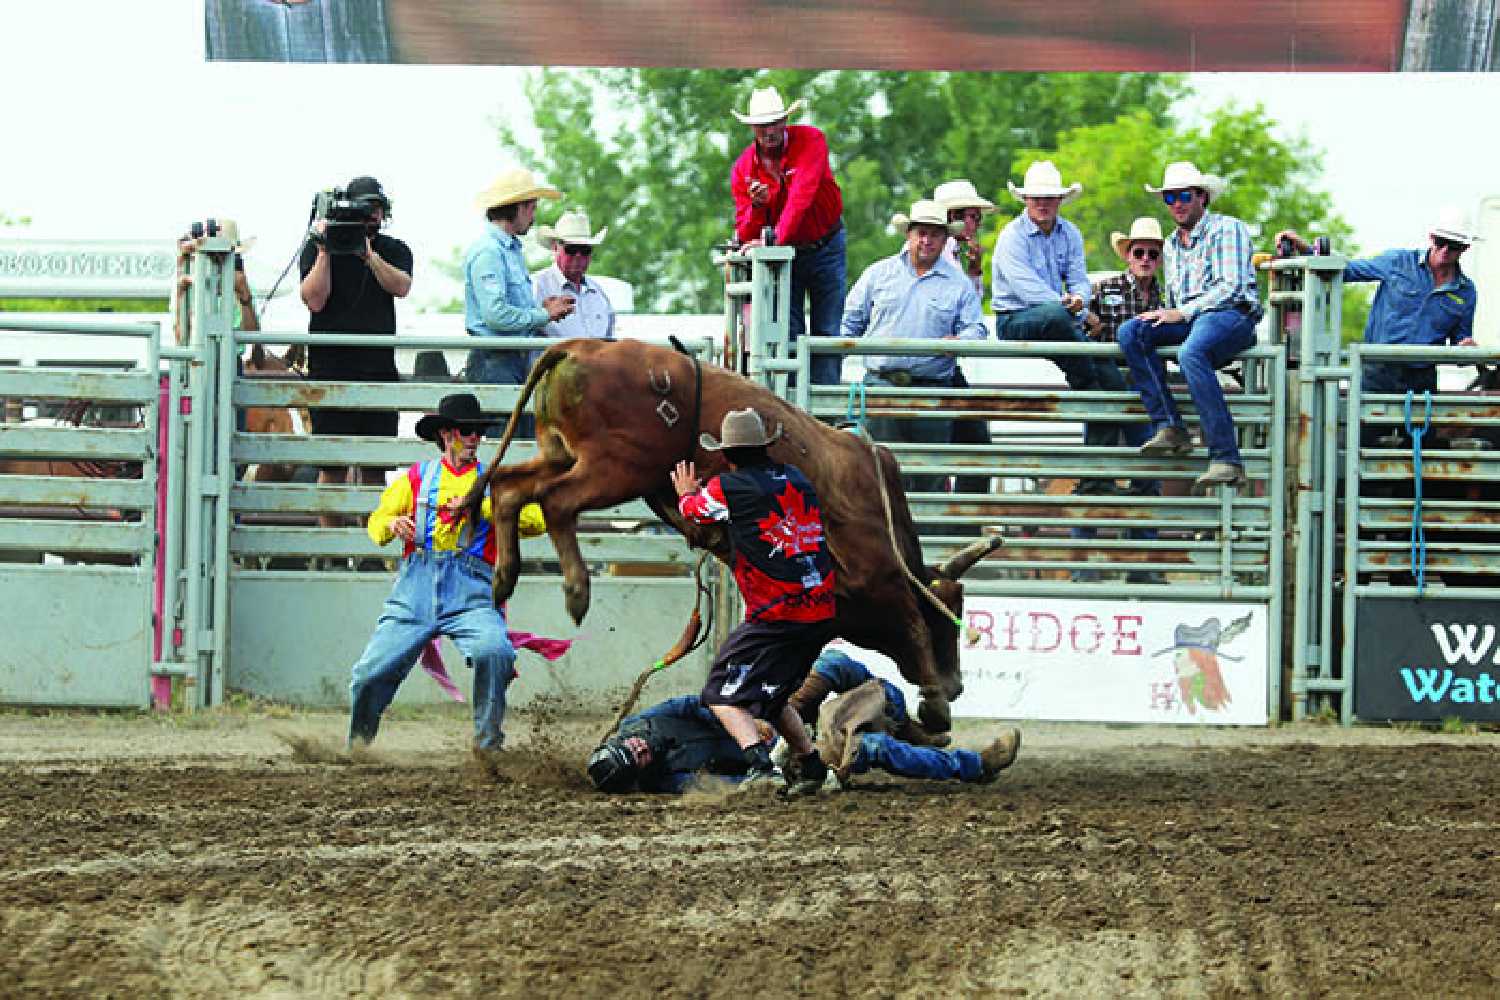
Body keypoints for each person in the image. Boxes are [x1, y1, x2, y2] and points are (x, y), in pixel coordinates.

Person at [347, 392, 546, 751]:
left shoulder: (496, 482)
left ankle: (488, 748)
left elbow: (537, 520)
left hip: (472, 594)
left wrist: (482, 507)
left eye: (477, 431)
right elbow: (375, 523)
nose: (474, 438)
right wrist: (393, 524)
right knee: (367, 674)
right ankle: (358, 747)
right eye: (466, 431)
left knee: (495, 653)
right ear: (446, 435)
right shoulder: (415, 479)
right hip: (413, 593)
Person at [670, 408, 836, 796]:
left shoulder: (730, 487)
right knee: (773, 696)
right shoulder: (797, 478)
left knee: (719, 694)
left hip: (778, 613)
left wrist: (686, 493)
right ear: (764, 446)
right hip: (821, 608)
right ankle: (811, 767)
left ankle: (760, 768)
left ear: (728, 454)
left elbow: (695, 513)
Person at [586, 648, 1022, 793]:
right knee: (870, 750)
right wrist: (769, 766)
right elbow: (729, 789)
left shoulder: (645, 723)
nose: (639, 748)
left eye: (631, 747)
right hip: (781, 758)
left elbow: (698, 702)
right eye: (637, 759)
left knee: (833, 663)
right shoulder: (671, 781)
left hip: (764, 716)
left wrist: (746, 720)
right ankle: (975, 766)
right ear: (641, 773)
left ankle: (913, 732)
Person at [992, 161, 1145, 478]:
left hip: (1061, 321)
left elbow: (1079, 280)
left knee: (1111, 382)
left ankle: (1094, 478)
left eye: (1049, 197)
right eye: (1036, 197)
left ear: (1060, 200)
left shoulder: (1069, 234)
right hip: (1016, 319)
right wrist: (1075, 307)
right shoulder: (1012, 237)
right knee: (1084, 353)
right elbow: (1027, 289)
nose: (1043, 203)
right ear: (1026, 201)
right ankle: (1086, 383)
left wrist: (1079, 300)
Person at [1117, 161, 1262, 493]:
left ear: (1202, 198)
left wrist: (1180, 313)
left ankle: (1227, 457)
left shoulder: (1228, 229)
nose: (1177, 204)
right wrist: (1171, 313)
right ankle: (1169, 425)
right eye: (1170, 198)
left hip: (1231, 314)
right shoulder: (1170, 244)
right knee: (1131, 331)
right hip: (1194, 317)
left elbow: (1232, 287)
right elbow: (1176, 298)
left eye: (1184, 196)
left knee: (1192, 352)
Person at [843, 199, 987, 495]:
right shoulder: (878, 274)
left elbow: (977, 329)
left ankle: (928, 538)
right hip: (882, 385)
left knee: (928, 475)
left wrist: (961, 341)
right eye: (921, 232)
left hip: (931, 387)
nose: (926, 240)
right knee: (879, 472)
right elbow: (849, 322)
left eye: (935, 234)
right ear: (908, 234)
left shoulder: (957, 283)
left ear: (945, 238)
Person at [298, 176, 413, 523]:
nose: (369, 216)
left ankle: (370, 551)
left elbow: (402, 287)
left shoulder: (393, 248)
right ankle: (331, 551)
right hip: (330, 371)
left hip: (376, 370)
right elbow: (314, 300)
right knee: (331, 468)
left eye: (375, 209)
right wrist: (324, 250)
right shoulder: (318, 247)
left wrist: (368, 255)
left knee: (374, 467)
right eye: (363, 209)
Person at [1276, 207, 1479, 398]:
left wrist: (1466, 348)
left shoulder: (1466, 292)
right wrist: (1306, 250)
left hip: (1421, 379)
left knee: (1421, 435)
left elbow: (1459, 344)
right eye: (1441, 242)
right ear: (1431, 238)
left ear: (1465, 248)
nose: (1444, 251)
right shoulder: (1397, 262)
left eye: (1453, 247)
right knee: (1365, 434)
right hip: (1377, 370)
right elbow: (1346, 270)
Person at [730, 86, 846, 385]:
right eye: (763, 124)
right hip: (788, 256)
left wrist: (774, 239)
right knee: (788, 332)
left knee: (828, 331)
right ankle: (795, 408)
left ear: (785, 122)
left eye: (775, 122)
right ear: (753, 128)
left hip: (823, 246)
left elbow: (801, 196)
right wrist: (758, 208)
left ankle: (823, 412)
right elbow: (744, 230)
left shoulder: (811, 140)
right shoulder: (743, 168)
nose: (770, 130)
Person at [785, 648, 1022, 786]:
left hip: (788, 722)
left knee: (834, 663)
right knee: (876, 746)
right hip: (798, 758)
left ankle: (908, 729)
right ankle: (976, 764)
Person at [463, 169, 575, 425]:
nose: (533, 216)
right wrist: (544, 314)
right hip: (496, 361)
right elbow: (495, 315)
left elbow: (499, 311)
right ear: (519, 208)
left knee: (514, 442)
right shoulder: (490, 252)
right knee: (506, 441)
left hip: (506, 360)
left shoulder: (505, 250)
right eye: (532, 208)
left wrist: (539, 311)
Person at [934, 179, 997, 499]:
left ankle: (957, 525)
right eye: (969, 216)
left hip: (945, 364)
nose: (975, 223)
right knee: (973, 444)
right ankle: (959, 525)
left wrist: (975, 270)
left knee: (967, 444)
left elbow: (969, 306)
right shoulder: (941, 252)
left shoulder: (952, 253)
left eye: (976, 216)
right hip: (934, 365)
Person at [531, 208, 615, 342]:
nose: (578, 256)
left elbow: (609, 340)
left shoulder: (599, 294)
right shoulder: (536, 286)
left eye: (585, 250)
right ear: (555, 247)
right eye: (571, 249)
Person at [1089, 217, 1166, 345]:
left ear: (1159, 260)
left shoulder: (1168, 297)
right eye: (1139, 253)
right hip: (1109, 362)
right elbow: (1080, 328)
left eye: (1152, 254)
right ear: (1128, 256)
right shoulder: (1103, 288)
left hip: (1150, 364)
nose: (1145, 258)